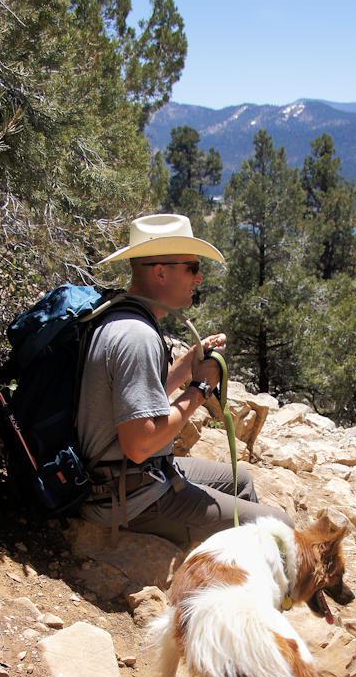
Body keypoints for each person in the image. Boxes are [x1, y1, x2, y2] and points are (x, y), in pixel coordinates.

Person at [76, 212, 293, 546]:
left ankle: (240, 573)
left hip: (130, 477)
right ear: (161, 271)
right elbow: (139, 444)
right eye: (192, 268)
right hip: (133, 497)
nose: (199, 278)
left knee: (241, 479)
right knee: (278, 526)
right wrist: (200, 389)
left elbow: (134, 400)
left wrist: (186, 365)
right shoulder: (137, 335)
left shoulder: (118, 315)